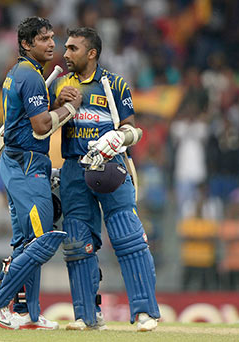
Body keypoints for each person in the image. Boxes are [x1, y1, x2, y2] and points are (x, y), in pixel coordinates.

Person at [0, 16, 82, 330]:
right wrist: (70, 109)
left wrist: (54, 101)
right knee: (41, 238)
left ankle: (26, 313)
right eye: (44, 39)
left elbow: (29, 114)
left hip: (19, 161)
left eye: (52, 38)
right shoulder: (30, 75)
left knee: (25, 241)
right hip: (27, 164)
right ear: (26, 44)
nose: (52, 44)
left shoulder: (23, 73)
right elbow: (41, 125)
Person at [48, 27, 160, 332]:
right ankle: (86, 316)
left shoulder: (115, 84)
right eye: (66, 48)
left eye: (73, 49)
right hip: (73, 169)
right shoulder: (59, 84)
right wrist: (56, 102)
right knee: (76, 242)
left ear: (92, 53)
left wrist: (117, 138)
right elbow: (41, 123)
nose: (66, 54)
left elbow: (133, 130)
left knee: (128, 237)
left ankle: (145, 312)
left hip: (111, 167)